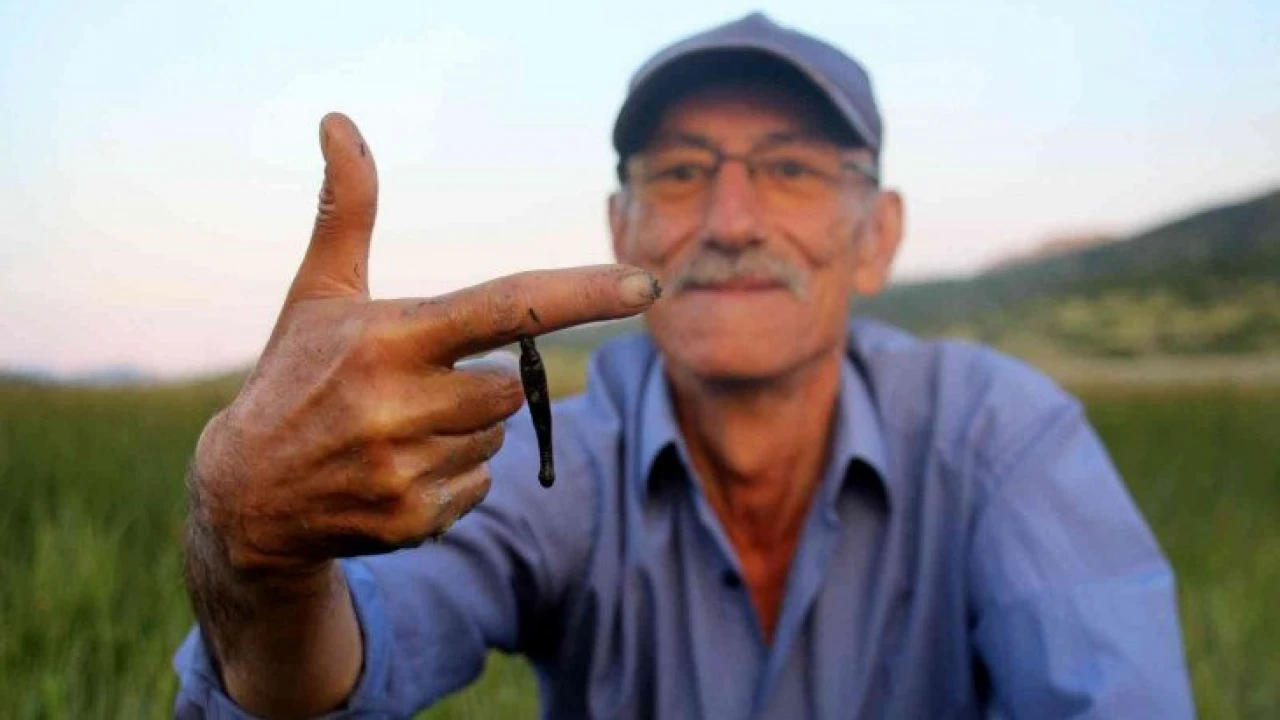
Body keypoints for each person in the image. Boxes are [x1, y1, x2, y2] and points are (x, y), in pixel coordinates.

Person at [174, 12, 1194, 719]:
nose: (731, 221)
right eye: (679, 171)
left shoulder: (998, 436)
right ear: (622, 227)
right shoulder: (564, 462)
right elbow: (350, 653)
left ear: (877, 235)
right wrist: (259, 562)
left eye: (790, 168)